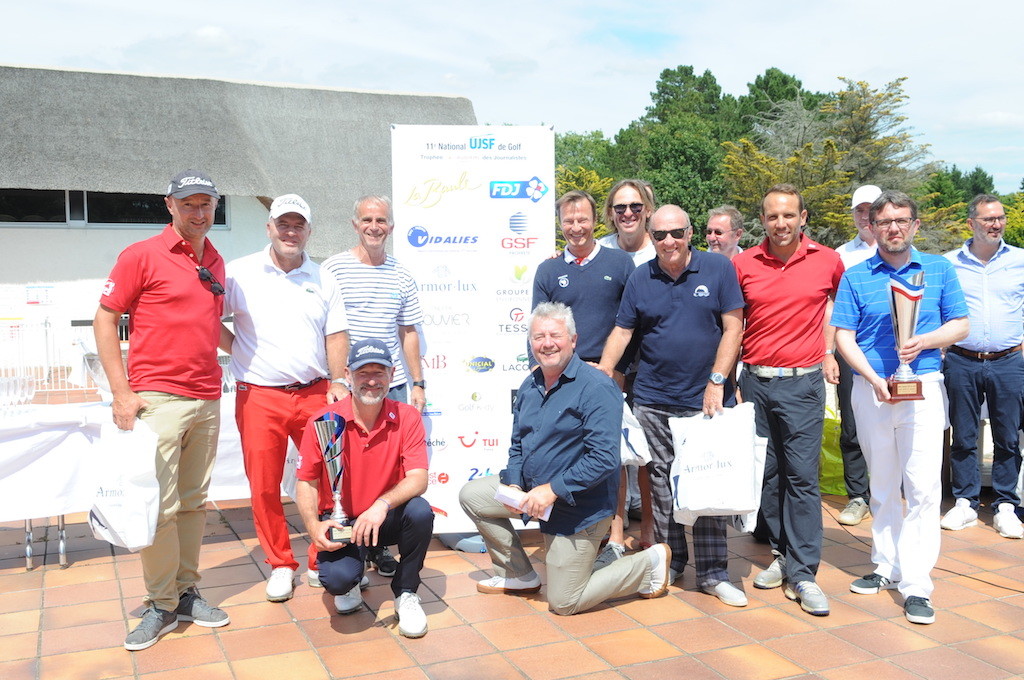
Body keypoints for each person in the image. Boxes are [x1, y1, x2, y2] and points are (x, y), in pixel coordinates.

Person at [459, 302, 671, 615]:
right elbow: (518, 443)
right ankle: (518, 573)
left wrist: (552, 489)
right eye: (538, 337)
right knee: (472, 496)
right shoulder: (530, 386)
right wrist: (515, 485)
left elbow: (603, 459)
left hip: (579, 508)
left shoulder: (597, 386)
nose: (547, 343)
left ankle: (647, 563)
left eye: (555, 335)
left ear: (573, 340)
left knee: (564, 602)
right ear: (530, 344)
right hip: (533, 496)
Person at [94, 169, 230, 651]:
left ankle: (187, 591)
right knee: (159, 508)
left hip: (207, 398)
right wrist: (121, 391)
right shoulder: (141, 256)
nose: (198, 213)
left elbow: (213, 325)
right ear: (168, 205)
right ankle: (161, 604)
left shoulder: (214, 258)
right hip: (159, 399)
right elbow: (106, 319)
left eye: (206, 204)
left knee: (194, 503)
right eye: (188, 204)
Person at [598, 205, 747, 605]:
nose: (668, 242)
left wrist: (717, 381)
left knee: (709, 484)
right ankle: (671, 562)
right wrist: (602, 375)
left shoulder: (717, 269)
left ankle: (714, 574)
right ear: (652, 235)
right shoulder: (641, 277)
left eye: (676, 233)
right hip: (652, 400)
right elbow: (623, 330)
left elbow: (734, 326)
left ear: (690, 232)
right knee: (662, 486)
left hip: (706, 401)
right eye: (660, 235)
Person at [832, 190, 968, 624]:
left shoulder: (940, 269)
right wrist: (871, 379)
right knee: (883, 485)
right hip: (872, 390)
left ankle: (917, 584)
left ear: (915, 225)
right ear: (871, 227)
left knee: (924, 488)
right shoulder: (856, 276)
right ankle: (886, 566)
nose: (893, 228)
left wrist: (923, 342)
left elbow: (961, 324)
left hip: (923, 386)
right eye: (884, 221)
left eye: (901, 220)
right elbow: (843, 336)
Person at [222, 194, 351, 603]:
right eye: (283, 224)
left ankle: (322, 558)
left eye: (298, 225)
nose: (290, 232)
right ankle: (280, 564)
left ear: (309, 231)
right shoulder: (238, 273)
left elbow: (336, 334)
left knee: (329, 481)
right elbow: (209, 320)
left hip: (315, 392)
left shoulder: (323, 277)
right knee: (264, 485)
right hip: (258, 395)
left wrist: (338, 380)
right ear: (269, 228)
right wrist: (238, 348)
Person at [732, 183, 844, 617]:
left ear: (803, 218)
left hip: (802, 385)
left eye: (788, 215)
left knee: (801, 478)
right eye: (772, 216)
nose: (781, 223)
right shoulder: (743, 263)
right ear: (762, 220)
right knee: (768, 475)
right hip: (755, 383)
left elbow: (844, 307)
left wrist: (830, 349)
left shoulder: (827, 260)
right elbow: (734, 323)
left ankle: (804, 573)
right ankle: (782, 555)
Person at [295, 339, 433, 638]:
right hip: (343, 521)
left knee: (420, 512)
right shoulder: (324, 421)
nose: (371, 380)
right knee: (338, 582)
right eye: (362, 373)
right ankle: (354, 576)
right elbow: (305, 481)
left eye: (379, 372)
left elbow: (418, 478)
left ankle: (406, 592)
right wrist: (313, 527)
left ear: (392, 374)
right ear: (347, 374)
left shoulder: (407, 416)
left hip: (383, 517)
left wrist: (381, 505)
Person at [532, 190, 638, 567]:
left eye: (583, 220)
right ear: (560, 224)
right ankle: (577, 534)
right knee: (569, 456)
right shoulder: (547, 270)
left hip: (609, 376)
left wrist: (615, 371)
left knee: (613, 459)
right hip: (564, 375)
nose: (576, 228)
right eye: (568, 221)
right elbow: (541, 328)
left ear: (597, 221)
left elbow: (631, 323)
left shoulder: (621, 262)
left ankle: (615, 536)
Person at [941, 194, 1024, 538]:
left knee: (1008, 437)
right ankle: (965, 503)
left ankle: (1005, 505)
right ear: (971, 223)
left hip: (1009, 361)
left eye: (1000, 218)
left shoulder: (1021, 260)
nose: (996, 224)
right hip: (961, 359)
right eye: (989, 219)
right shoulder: (948, 264)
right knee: (963, 435)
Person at [322, 195, 426, 412]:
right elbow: (322, 329)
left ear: (391, 227)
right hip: (347, 385)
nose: (374, 227)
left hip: (390, 386)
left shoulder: (402, 274)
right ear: (355, 225)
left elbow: (408, 331)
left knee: (390, 446)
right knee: (346, 447)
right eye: (366, 220)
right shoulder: (332, 269)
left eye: (381, 220)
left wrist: (417, 384)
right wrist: (338, 380)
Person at [834, 185, 882, 526]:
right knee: (852, 428)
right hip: (851, 354)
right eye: (859, 210)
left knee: (893, 426)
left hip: (892, 355)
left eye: (871, 209)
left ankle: (887, 491)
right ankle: (858, 495)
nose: (865, 217)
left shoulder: (901, 249)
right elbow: (831, 308)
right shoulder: (841, 255)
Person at [597, 179, 657, 265]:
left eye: (636, 206)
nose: (628, 213)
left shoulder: (660, 251)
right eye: (620, 208)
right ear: (610, 213)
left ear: (648, 210)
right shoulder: (599, 251)